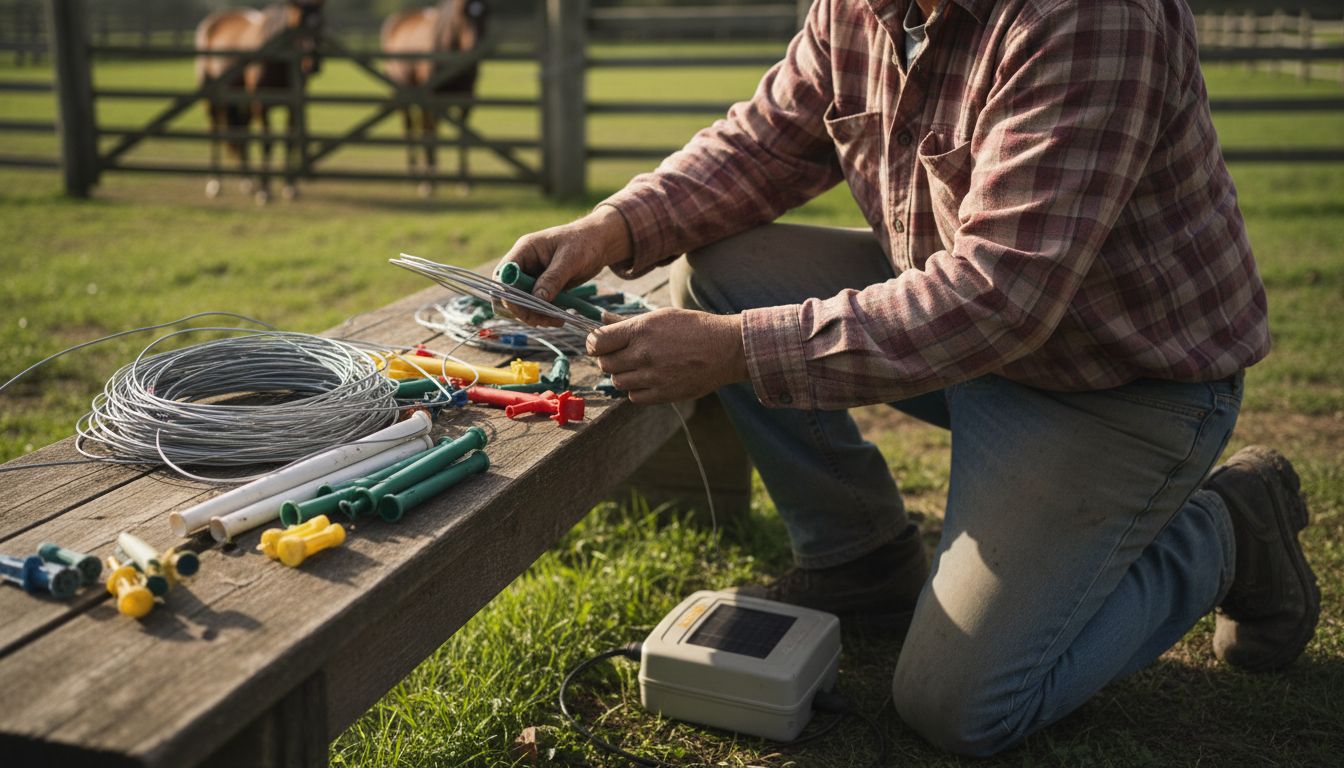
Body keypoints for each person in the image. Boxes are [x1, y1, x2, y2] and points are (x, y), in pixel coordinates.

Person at [501, 0, 1320, 756]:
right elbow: (763, 142)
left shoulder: (1090, 19)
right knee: (724, 273)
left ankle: (1228, 534)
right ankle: (857, 558)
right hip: (964, 337)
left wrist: (739, 351)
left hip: (1115, 383)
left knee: (960, 707)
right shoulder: (862, 6)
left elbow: (1000, 296)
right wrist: (614, 224)